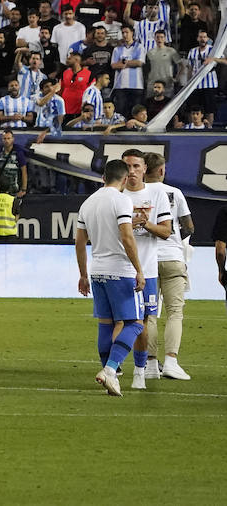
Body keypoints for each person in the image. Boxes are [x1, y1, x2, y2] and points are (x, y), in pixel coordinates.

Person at [75, 159, 144, 397]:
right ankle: (110, 369)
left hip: (97, 270)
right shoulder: (122, 200)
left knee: (106, 324)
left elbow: (80, 243)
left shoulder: (88, 203)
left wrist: (83, 274)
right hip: (120, 270)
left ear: (104, 177)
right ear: (124, 179)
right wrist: (139, 269)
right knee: (135, 324)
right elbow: (126, 237)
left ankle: (109, 377)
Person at [118, 148, 172, 391]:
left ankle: (142, 368)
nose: (131, 172)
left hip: (147, 269)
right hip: (120, 267)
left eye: (136, 167)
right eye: (127, 167)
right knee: (120, 319)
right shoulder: (115, 194)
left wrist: (145, 223)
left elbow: (166, 231)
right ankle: (115, 366)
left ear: (144, 169)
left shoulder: (157, 193)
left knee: (145, 320)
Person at [143, 152, 193, 381]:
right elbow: (188, 225)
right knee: (175, 312)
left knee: (149, 315)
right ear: (161, 170)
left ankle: (151, 365)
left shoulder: (136, 193)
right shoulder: (175, 193)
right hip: (172, 257)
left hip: (147, 260)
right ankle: (171, 361)